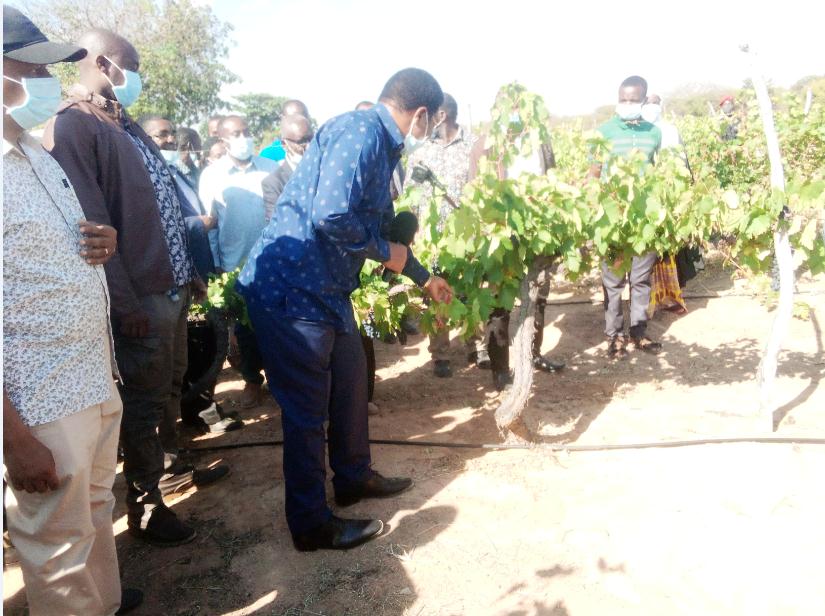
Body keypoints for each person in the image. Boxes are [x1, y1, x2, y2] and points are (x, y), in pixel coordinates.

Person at [237, 67, 453, 551]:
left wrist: (422, 276)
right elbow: (330, 214)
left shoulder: (380, 143)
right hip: (293, 289)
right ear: (421, 114)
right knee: (308, 413)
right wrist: (385, 250)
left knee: (352, 385)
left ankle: (354, 478)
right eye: (431, 123)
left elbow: (375, 229)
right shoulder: (361, 133)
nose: (429, 132)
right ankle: (311, 523)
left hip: (327, 291)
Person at [43, 28, 228, 548]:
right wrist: (123, 304)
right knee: (143, 404)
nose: (138, 78)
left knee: (170, 386)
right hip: (138, 296)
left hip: (167, 285)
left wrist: (188, 268)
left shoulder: (122, 123)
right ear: (104, 64)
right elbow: (90, 226)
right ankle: (145, 505)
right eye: (134, 66)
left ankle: (170, 473)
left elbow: (163, 205)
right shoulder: (74, 127)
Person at [2, 7, 142, 614]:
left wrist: (98, 245)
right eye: (26, 65)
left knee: (93, 518)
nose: (45, 78)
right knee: (56, 551)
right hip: (39, 407)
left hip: (90, 379)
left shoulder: (34, 153)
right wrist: (12, 437)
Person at [139, 114, 245, 435]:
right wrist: (199, 223)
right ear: (144, 139)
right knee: (196, 352)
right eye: (161, 135)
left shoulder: (173, 173)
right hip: (173, 281)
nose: (170, 140)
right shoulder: (145, 177)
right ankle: (194, 419)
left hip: (196, 274)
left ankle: (200, 412)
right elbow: (158, 228)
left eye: (172, 134)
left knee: (201, 351)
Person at [467, 99, 564, 390]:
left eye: (520, 108)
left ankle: (533, 355)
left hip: (539, 234)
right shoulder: (485, 145)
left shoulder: (540, 142)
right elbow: (476, 192)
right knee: (500, 304)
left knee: (538, 297)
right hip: (502, 237)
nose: (515, 114)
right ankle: (500, 370)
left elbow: (554, 180)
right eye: (510, 108)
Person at [199, 114, 278, 408]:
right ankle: (252, 381)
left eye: (246, 131)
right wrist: (217, 264)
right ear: (223, 139)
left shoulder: (271, 168)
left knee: (279, 323)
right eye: (236, 133)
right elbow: (210, 225)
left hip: (273, 260)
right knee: (246, 328)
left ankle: (279, 379)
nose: (243, 137)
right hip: (235, 264)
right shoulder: (213, 175)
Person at [406, 93, 485, 378]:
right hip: (432, 238)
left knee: (473, 289)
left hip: (468, 234)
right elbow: (411, 196)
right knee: (438, 294)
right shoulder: (421, 152)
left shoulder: (474, 146)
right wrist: (411, 232)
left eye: (429, 118)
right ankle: (441, 353)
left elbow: (483, 188)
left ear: (441, 116)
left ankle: (477, 345)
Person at [589, 75, 663, 359]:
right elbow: (594, 174)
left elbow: (657, 172)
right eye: (623, 99)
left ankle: (639, 331)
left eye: (633, 100)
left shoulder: (653, 134)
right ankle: (614, 335)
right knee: (613, 281)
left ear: (644, 101)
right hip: (612, 220)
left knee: (641, 279)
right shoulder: (604, 132)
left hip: (643, 220)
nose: (627, 104)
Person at [261, 113, 314, 220]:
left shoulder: (324, 171)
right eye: (302, 141)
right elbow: (277, 225)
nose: (309, 146)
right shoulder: (273, 183)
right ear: (284, 144)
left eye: (311, 139)